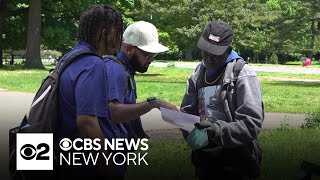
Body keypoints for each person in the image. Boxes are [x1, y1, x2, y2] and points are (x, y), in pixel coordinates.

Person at [180, 20, 264, 179]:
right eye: (206, 52)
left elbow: (251, 124)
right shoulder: (197, 74)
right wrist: (188, 129)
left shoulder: (242, 74)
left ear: (228, 50)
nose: (210, 59)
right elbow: (187, 112)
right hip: (205, 161)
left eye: (216, 54)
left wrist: (216, 131)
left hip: (237, 163)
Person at [56, 5, 123, 180]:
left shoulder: (69, 58)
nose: (120, 39)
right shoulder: (93, 64)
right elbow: (87, 123)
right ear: (103, 33)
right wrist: (107, 170)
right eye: (117, 33)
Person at [103, 21, 179, 175]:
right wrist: (154, 103)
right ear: (129, 48)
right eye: (146, 53)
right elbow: (114, 112)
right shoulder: (114, 69)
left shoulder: (126, 69)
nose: (151, 58)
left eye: (154, 54)